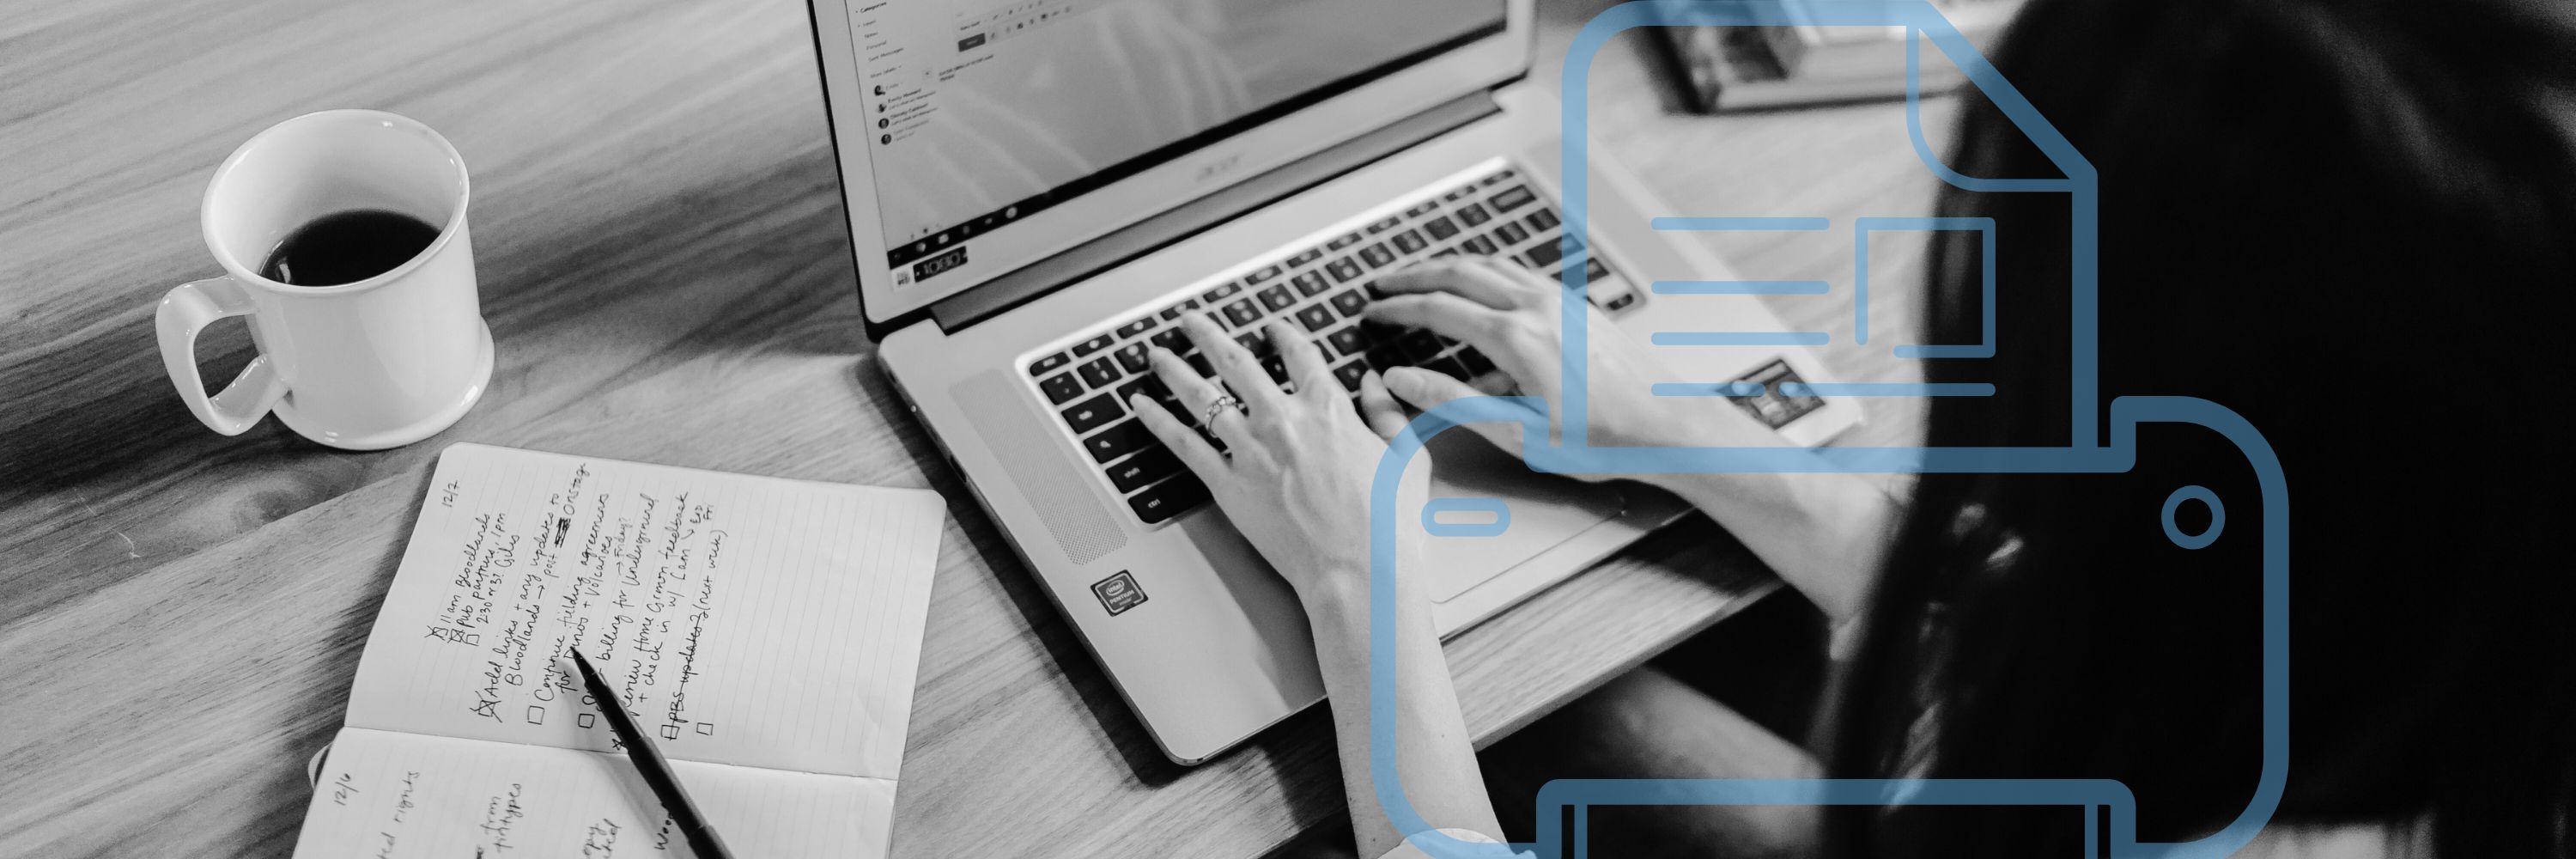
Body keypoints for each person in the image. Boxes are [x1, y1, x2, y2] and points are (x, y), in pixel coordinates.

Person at [1120, 0, 2576, 856]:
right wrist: (1687, 431)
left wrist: (1360, 575)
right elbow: (2113, 630)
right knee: (1576, 713)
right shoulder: (2429, 654)